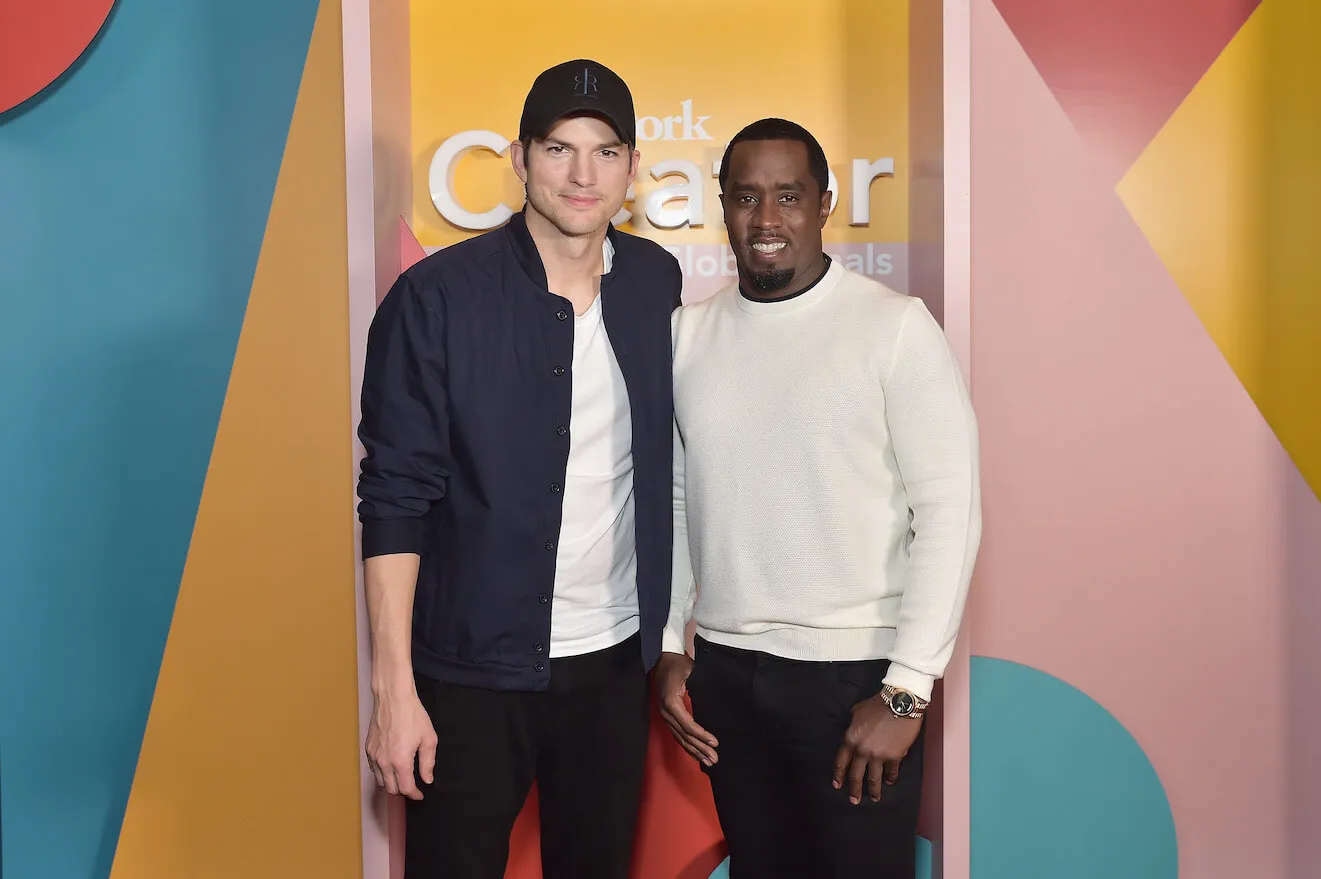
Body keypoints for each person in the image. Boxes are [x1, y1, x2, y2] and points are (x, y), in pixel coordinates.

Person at [356, 59, 683, 879]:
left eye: (605, 152)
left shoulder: (654, 282)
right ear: (518, 157)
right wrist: (395, 692)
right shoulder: (435, 299)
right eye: (558, 149)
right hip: (469, 670)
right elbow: (395, 498)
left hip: (612, 665)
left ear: (633, 168)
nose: (582, 175)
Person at [656, 118, 981, 878]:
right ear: (722, 206)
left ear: (824, 203)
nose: (765, 220)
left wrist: (904, 694)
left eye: (788, 196)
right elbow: (675, 500)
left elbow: (948, 515)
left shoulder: (893, 328)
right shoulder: (687, 335)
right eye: (745, 197)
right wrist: (672, 643)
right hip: (728, 677)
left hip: (854, 680)